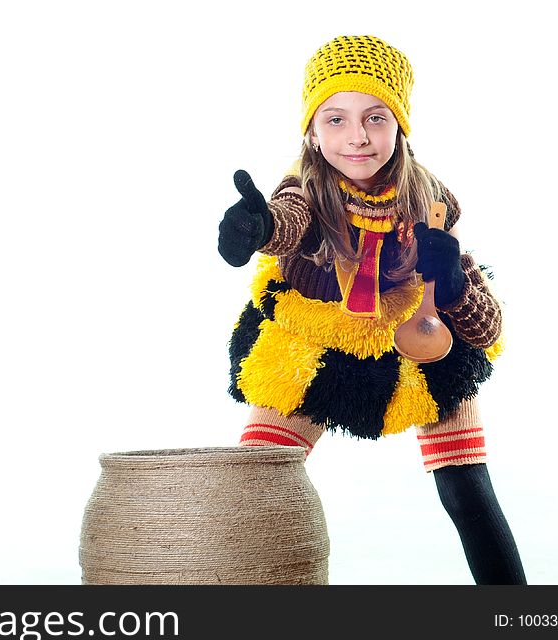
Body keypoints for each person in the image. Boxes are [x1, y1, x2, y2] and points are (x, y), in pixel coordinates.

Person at [218, 35, 526, 584]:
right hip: (314, 343)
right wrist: (261, 228)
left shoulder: (432, 200)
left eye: (375, 117)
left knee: (467, 487)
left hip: (414, 333)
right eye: (334, 119)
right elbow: (285, 219)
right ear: (310, 130)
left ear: (400, 125)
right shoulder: (304, 191)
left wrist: (452, 284)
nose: (356, 137)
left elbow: (487, 326)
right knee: (251, 485)